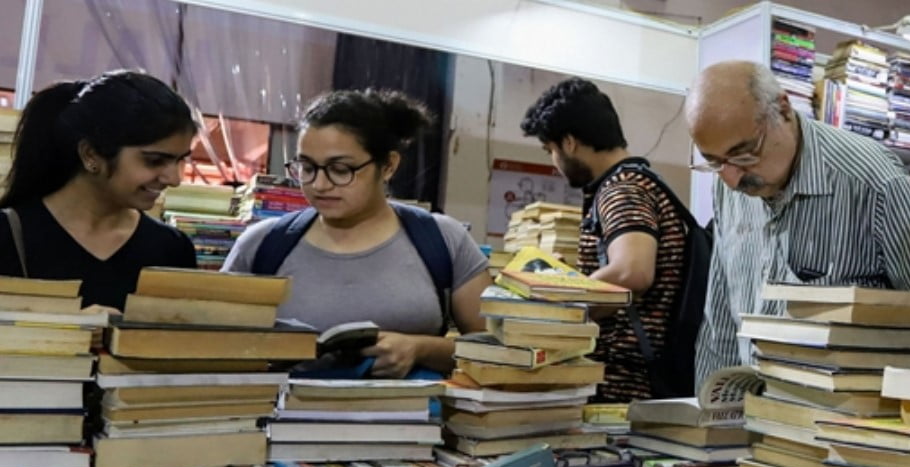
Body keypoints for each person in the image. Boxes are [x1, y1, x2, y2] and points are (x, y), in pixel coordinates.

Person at [686, 61, 910, 387]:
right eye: (713, 162)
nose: (731, 179)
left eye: (744, 154)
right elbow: (722, 321)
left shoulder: (870, 178)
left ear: (783, 110)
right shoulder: (730, 187)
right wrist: (713, 409)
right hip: (768, 412)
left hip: (862, 412)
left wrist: (852, 367)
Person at [223, 89, 490, 378]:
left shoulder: (443, 240)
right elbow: (210, 345)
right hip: (280, 418)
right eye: (307, 168)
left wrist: (421, 349)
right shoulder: (261, 245)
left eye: (341, 169)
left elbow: (498, 352)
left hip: (409, 419)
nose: (320, 185)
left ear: (388, 166)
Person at [520, 77, 697, 401]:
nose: (554, 161)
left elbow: (632, 273)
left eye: (550, 150)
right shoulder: (642, 182)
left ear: (569, 142)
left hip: (627, 387)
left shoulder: (622, 189)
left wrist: (557, 302)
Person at [0, 70, 198, 312]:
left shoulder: (172, 249)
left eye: (181, 160)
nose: (175, 179)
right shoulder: (7, 235)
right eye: (154, 160)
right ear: (91, 155)